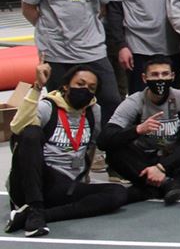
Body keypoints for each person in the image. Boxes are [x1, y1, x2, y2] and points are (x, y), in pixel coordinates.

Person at [6, 66, 128, 238]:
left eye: (91, 88)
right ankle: (35, 208)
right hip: (35, 181)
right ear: (65, 86)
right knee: (30, 133)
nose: (85, 89)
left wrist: (84, 178)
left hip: (66, 186)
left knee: (118, 193)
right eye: (80, 84)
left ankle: (37, 215)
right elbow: (16, 127)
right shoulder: (47, 107)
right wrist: (37, 88)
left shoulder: (94, 112)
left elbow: (91, 147)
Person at [98, 56, 180, 203]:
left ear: (172, 76)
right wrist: (137, 130)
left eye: (165, 74)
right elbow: (104, 140)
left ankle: (152, 189)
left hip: (172, 160)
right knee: (115, 151)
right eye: (154, 75)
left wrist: (162, 167)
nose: (160, 78)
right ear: (144, 78)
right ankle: (169, 184)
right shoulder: (134, 102)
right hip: (143, 161)